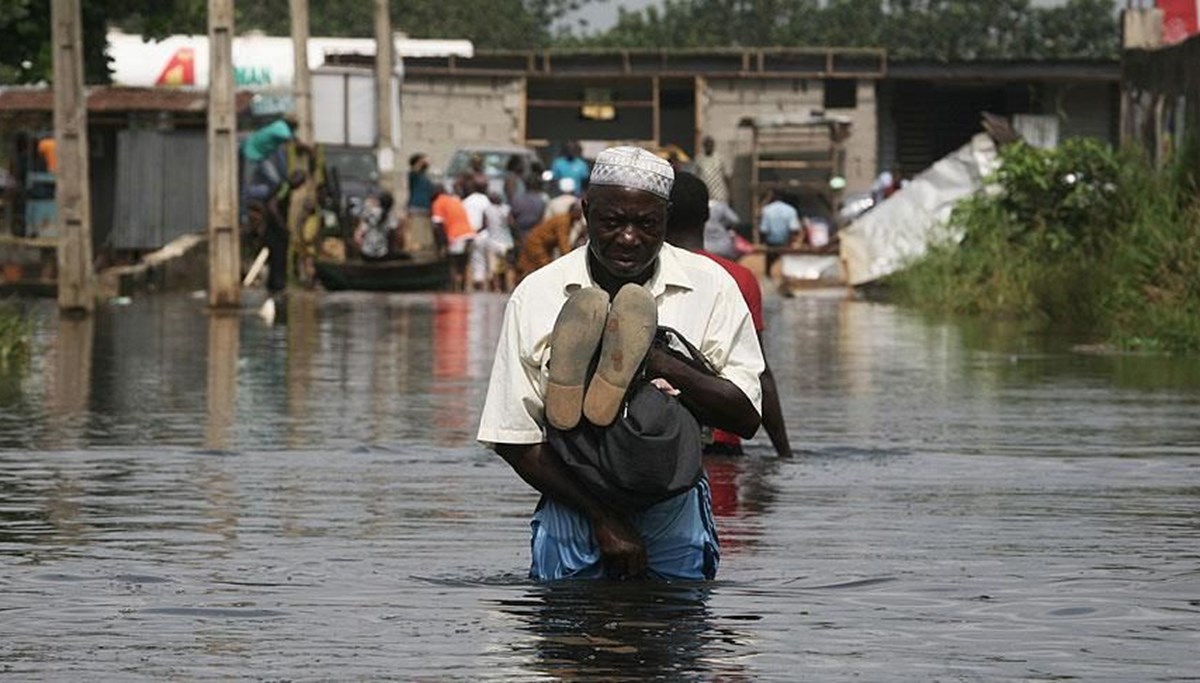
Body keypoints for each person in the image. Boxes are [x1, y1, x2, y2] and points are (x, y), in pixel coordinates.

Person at [478, 146, 765, 581]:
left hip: (672, 496)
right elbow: (513, 437)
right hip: (576, 499)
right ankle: (591, 383)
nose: (628, 237)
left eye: (646, 224)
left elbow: (745, 417)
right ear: (587, 211)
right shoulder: (539, 294)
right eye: (612, 222)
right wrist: (602, 518)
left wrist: (656, 362)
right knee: (578, 639)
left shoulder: (712, 287)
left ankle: (640, 363)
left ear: (666, 219)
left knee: (657, 634)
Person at [666, 172, 792, 458]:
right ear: (708, 215)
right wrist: (784, 452)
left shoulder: (643, 272)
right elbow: (760, 372)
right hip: (722, 440)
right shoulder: (739, 277)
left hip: (657, 437)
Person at [515, 201, 585, 281]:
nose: (581, 215)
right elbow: (563, 242)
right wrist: (569, 258)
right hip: (538, 243)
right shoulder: (563, 221)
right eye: (580, 212)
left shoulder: (568, 221)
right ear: (574, 212)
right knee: (543, 267)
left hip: (544, 246)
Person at [431, 186, 476, 291]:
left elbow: (438, 226)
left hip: (456, 235)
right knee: (464, 263)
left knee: (453, 263)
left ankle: (455, 289)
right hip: (469, 233)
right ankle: (464, 288)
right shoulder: (453, 200)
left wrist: (442, 245)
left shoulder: (438, 202)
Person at [759, 189, 801, 273]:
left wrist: (763, 241)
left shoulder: (767, 210)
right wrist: (792, 240)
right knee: (785, 263)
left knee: (770, 262)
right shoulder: (791, 210)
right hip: (786, 242)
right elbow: (794, 228)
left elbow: (763, 229)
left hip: (771, 242)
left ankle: (768, 274)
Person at [693, 135, 729, 204]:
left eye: (710, 144)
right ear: (704, 146)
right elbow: (696, 177)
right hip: (705, 196)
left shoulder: (720, 158)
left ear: (713, 145)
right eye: (707, 144)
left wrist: (731, 195)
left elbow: (726, 177)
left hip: (719, 196)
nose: (709, 146)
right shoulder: (699, 159)